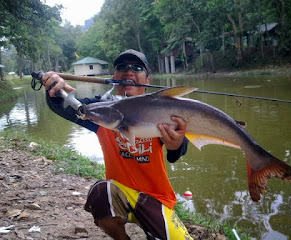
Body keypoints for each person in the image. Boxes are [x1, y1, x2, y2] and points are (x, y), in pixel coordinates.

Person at [42, 49, 193, 240]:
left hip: (157, 199)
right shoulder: (101, 110)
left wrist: (176, 144)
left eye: (137, 67)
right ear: (114, 76)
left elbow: (178, 151)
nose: (129, 71)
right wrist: (55, 88)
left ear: (147, 80)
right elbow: (65, 106)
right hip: (119, 196)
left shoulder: (159, 109)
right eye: (122, 67)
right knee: (101, 192)